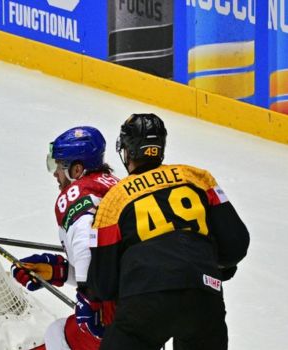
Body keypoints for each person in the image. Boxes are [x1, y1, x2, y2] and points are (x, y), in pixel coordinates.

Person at [88, 113, 250, 350]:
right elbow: (235, 245)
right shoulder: (198, 178)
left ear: (128, 152)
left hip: (145, 300)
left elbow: (103, 285)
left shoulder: (113, 200)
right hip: (203, 295)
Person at [12, 126, 119, 350]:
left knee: (58, 334)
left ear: (76, 169)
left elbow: (85, 244)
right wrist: (60, 272)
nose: (55, 174)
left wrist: (89, 299)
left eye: (59, 166)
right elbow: (107, 266)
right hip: (144, 300)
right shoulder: (114, 185)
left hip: (114, 315)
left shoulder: (76, 194)